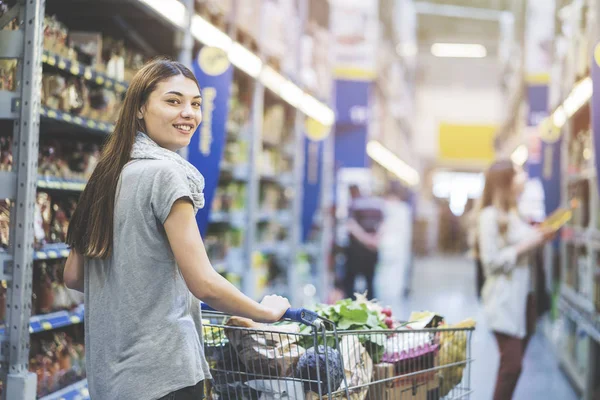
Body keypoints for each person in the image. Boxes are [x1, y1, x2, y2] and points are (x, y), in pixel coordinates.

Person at [62, 59, 291, 400]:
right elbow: (203, 282)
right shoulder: (167, 175)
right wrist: (265, 312)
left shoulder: (107, 174)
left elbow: (74, 276)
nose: (189, 113)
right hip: (164, 375)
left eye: (196, 104)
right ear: (140, 107)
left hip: (110, 379)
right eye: (173, 101)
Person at [475, 160, 555, 400]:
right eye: (518, 174)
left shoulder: (514, 213)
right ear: (505, 181)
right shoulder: (489, 216)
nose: (523, 180)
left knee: (513, 366)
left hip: (526, 300)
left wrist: (540, 234)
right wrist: (527, 244)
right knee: (512, 366)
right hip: (503, 301)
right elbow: (490, 262)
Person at [343, 184, 384, 300]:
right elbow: (383, 225)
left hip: (356, 250)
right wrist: (373, 240)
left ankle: (350, 309)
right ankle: (371, 310)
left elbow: (351, 225)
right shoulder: (379, 205)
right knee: (370, 281)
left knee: (350, 282)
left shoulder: (354, 204)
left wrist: (365, 240)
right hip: (372, 249)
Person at [376, 181, 413, 305]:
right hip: (399, 248)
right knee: (395, 278)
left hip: (385, 246)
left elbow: (381, 227)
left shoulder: (383, 206)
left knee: (383, 277)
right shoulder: (404, 209)